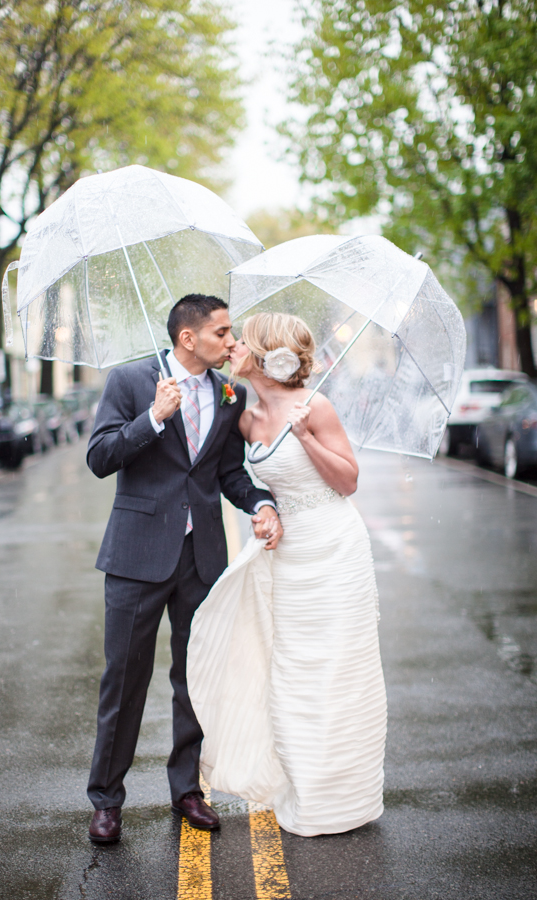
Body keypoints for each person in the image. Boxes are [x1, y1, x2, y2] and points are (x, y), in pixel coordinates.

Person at [86, 295, 282, 843]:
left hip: (202, 561)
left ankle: (187, 789)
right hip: (135, 558)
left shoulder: (229, 392)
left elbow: (228, 473)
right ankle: (106, 800)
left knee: (195, 680)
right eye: (222, 333)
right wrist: (153, 418)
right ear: (188, 339)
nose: (232, 341)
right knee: (123, 681)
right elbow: (100, 458)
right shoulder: (130, 382)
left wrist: (261, 503)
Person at [187, 311, 387, 837]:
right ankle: (305, 786)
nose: (232, 348)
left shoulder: (315, 406)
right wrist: (263, 510)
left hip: (335, 548)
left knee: (338, 670)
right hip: (288, 556)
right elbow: (238, 479)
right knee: (293, 671)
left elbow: (348, 482)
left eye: (241, 342)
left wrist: (308, 437)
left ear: (267, 354)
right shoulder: (246, 417)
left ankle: (345, 797)